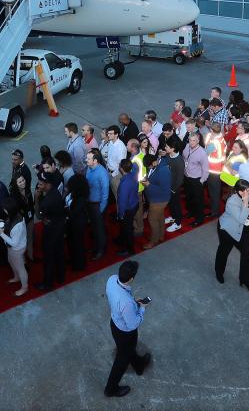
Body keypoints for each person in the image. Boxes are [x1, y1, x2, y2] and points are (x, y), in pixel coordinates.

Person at [104, 260, 152, 398]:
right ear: (131, 278)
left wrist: (132, 303)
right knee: (121, 360)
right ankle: (110, 389)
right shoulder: (126, 303)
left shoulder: (112, 279)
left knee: (128, 350)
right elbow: (133, 324)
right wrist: (141, 308)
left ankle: (139, 364)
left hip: (114, 323)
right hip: (125, 332)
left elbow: (117, 298)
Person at [215, 180, 249, 291]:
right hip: (228, 230)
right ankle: (219, 272)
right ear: (240, 192)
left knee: (248, 253)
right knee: (224, 251)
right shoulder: (232, 202)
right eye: (248, 190)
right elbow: (241, 219)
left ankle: (244, 280)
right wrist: (245, 203)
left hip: (244, 230)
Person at [36, 177, 66, 289]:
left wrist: (36, 198)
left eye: (41, 184)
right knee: (59, 253)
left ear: (48, 184)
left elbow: (38, 216)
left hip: (51, 232)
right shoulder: (55, 192)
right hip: (59, 227)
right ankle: (60, 276)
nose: (38, 186)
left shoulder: (46, 202)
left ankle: (47, 283)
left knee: (48, 258)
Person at [0, 198, 29, 296]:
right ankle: (16, 277)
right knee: (10, 261)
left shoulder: (18, 225)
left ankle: (24, 287)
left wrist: (1, 233)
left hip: (17, 248)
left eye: (4, 208)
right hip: (12, 247)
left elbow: (14, 243)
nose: (3, 210)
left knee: (20, 268)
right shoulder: (14, 215)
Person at [85, 149, 110, 259]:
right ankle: (96, 246)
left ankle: (101, 250)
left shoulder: (102, 173)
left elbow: (105, 194)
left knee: (99, 229)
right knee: (94, 227)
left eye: (89, 158)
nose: (86, 160)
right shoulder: (89, 168)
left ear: (95, 160)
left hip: (97, 205)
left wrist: (100, 209)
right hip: (90, 203)